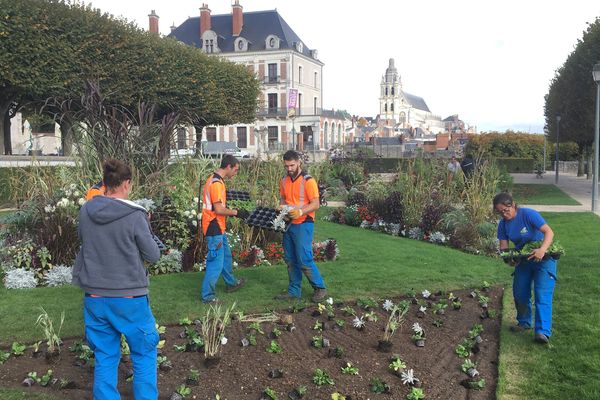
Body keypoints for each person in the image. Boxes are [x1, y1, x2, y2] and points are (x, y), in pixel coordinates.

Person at [72, 159, 161, 399]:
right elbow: (153, 255)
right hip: (129, 297)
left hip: (95, 296)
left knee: (105, 355)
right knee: (143, 352)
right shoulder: (134, 215)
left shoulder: (85, 211)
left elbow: (85, 240)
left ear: (105, 183)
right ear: (126, 184)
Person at [493, 192, 557, 344]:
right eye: (500, 212)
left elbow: (549, 232)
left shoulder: (528, 214)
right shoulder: (502, 224)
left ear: (513, 205)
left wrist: (542, 249)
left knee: (542, 295)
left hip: (544, 259)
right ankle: (524, 322)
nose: (504, 214)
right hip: (524, 260)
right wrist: (509, 260)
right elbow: (504, 248)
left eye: (506, 210)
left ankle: (542, 332)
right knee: (520, 293)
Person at [276, 150, 328, 303]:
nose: (289, 168)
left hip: (304, 224)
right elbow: (284, 200)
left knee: (304, 259)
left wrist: (300, 211)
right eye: (286, 166)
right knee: (290, 260)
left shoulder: (308, 181)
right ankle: (294, 291)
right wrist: (281, 208)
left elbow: (315, 204)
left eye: (292, 165)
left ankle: (320, 288)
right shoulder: (284, 180)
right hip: (288, 224)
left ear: (299, 162)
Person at [200, 155, 248, 304]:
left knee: (226, 256)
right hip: (213, 226)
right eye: (235, 169)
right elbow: (219, 209)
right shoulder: (216, 183)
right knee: (216, 262)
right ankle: (208, 296)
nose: (236, 172)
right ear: (228, 167)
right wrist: (237, 212)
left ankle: (231, 283)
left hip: (217, 226)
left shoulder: (216, 180)